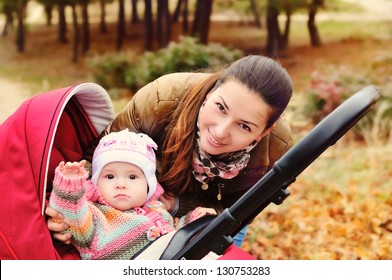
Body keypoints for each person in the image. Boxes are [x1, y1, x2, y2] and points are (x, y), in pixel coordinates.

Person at [46, 54, 294, 248]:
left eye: (243, 126)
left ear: (263, 131)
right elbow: (99, 159)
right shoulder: (160, 100)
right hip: (144, 202)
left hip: (207, 213)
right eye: (220, 107)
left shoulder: (275, 148)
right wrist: (68, 209)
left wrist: (178, 205)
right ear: (210, 93)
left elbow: (239, 211)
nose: (220, 132)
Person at [49, 129, 216, 260]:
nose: (120, 184)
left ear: (148, 185)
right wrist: (69, 185)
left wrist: (193, 221)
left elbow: (174, 235)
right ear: (95, 183)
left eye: (132, 177)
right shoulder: (95, 217)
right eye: (109, 176)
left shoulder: (157, 209)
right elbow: (70, 214)